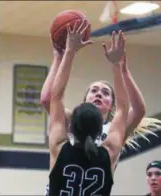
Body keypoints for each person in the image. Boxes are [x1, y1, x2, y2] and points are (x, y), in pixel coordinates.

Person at [48, 20, 129, 196]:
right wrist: (116, 65)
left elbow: (55, 97)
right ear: (101, 129)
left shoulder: (59, 148)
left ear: (70, 126)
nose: (98, 94)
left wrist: (69, 52)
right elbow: (123, 108)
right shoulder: (109, 155)